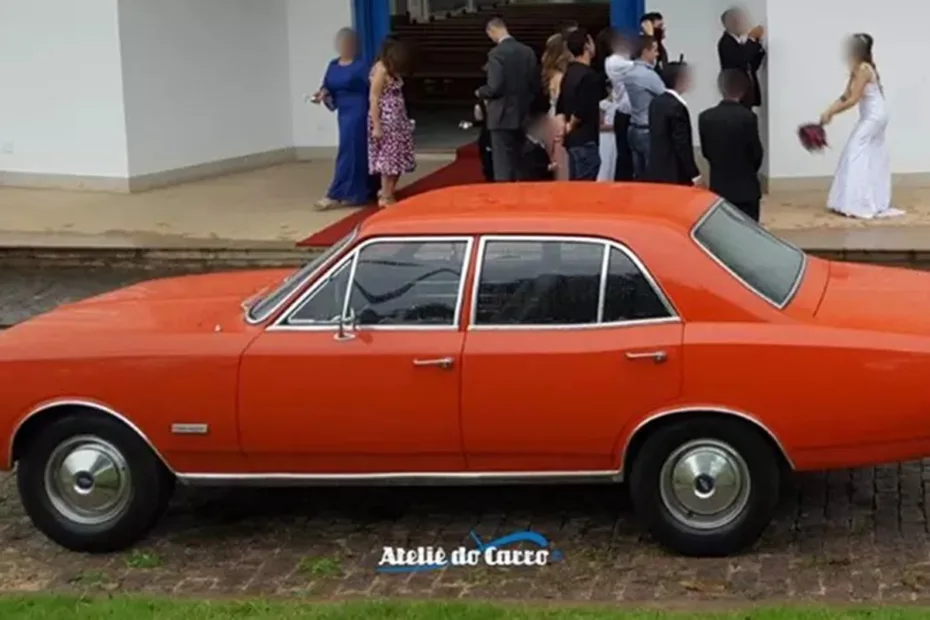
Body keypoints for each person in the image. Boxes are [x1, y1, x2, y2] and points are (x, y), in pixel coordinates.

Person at [819, 34, 903, 219]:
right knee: (871, 153)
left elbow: (853, 99)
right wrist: (829, 111)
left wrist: (833, 113)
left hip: (875, 116)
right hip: (872, 115)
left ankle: (858, 202)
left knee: (855, 150)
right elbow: (845, 95)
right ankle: (866, 198)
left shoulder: (864, 69)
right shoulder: (857, 69)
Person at [477, 17, 542, 182]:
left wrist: (480, 92)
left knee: (502, 163)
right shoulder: (527, 51)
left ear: (492, 31)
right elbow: (535, 83)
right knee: (520, 159)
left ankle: (504, 197)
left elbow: (495, 86)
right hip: (523, 112)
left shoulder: (496, 54)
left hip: (501, 114)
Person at [312, 28, 371, 210]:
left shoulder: (361, 65)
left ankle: (335, 193)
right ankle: (359, 192)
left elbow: (371, 88)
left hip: (358, 109)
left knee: (349, 150)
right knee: (354, 150)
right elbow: (327, 85)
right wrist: (322, 94)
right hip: (343, 111)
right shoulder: (333, 65)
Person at [699, 69, 764, 221]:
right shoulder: (748, 117)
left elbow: (706, 152)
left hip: (719, 186)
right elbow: (756, 153)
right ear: (743, 90)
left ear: (720, 88)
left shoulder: (705, 117)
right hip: (746, 187)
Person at [368, 37, 416, 206]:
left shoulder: (392, 70)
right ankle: (386, 196)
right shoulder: (380, 69)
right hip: (386, 120)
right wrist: (377, 125)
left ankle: (389, 190)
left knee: (399, 158)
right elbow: (374, 98)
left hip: (398, 120)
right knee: (389, 159)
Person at [555, 29, 602, 181]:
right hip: (585, 138)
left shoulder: (568, 73)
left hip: (572, 141)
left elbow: (560, 104)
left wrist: (563, 127)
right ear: (587, 45)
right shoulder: (589, 76)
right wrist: (571, 125)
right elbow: (583, 108)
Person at [646, 61, 700, 185]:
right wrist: (694, 174)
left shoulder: (655, 102)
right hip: (675, 173)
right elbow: (682, 145)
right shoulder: (677, 107)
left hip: (657, 170)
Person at [623, 35, 666, 179]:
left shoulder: (629, 73)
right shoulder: (648, 75)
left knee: (639, 175)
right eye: (654, 50)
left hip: (634, 127)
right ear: (645, 51)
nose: (657, 54)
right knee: (653, 174)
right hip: (647, 130)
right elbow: (665, 96)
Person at [718, 8, 765, 109]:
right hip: (736, 94)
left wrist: (758, 46)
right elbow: (742, 59)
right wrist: (752, 39)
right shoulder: (726, 43)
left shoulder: (739, 43)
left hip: (746, 94)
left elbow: (750, 65)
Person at [604, 31, 634, 180]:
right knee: (625, 158)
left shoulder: (624, 59)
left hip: (630, 114)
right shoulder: (614, 61)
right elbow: (642, 66)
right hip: (625, 113)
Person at [541, 33, 572, 180]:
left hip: (552, 117)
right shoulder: (559, 77)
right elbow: (562, 101)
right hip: (559, 119)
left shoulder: (551, 73)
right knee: (563, 166)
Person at [597, 90, 617, 182]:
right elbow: (600, 125)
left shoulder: (618, 104)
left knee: (612, 160)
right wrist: (613, 126)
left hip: (613, 136)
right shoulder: (602, 104)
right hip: (604, 136)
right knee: (605, 160)